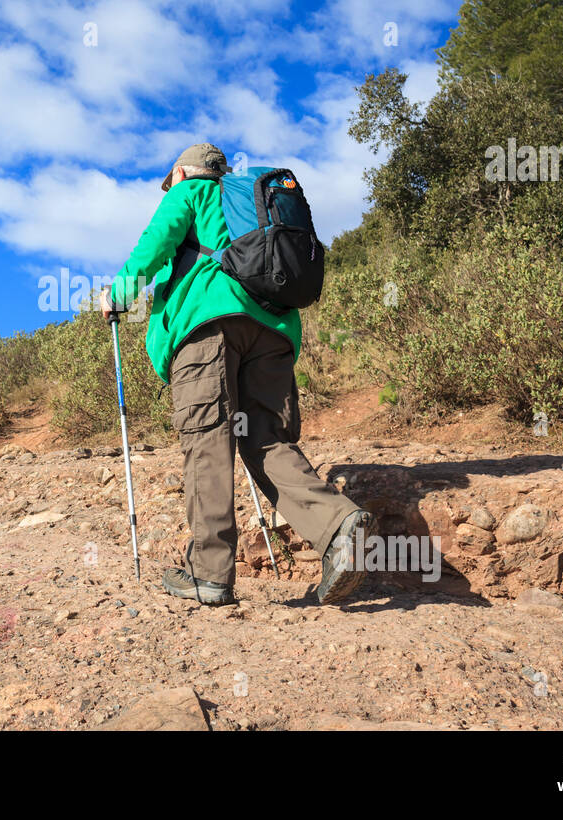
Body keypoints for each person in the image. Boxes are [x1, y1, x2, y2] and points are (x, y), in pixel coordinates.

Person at [100, 143, 373, 606]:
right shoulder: (248, 205)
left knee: (207, 441)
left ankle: (209, 575)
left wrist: (118, 294)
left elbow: (152, 246)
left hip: (209, 326)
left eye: (172, 179)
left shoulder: (189, 194)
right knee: (265, 440)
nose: (171, 187)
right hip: (275, 330)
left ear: (183, 172)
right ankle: (339, 527)